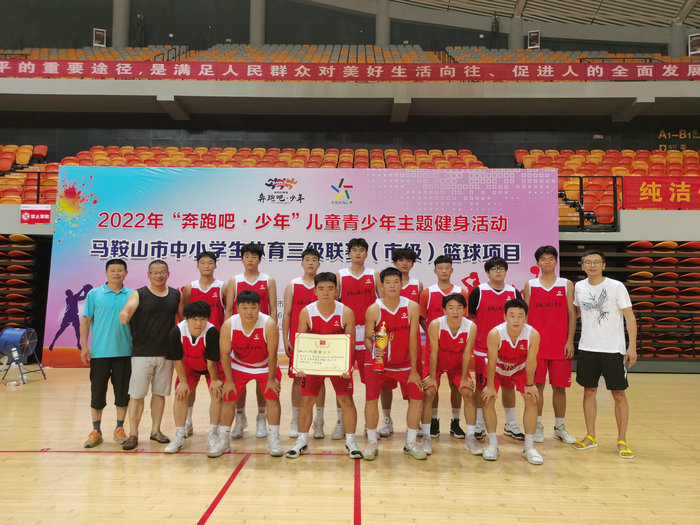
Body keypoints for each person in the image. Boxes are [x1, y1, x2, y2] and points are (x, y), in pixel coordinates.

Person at [286, 272, 362, 459]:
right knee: (306, 401)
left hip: (338, 365)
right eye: (321, 289)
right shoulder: (307, 312)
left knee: (346, 400)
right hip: (315, 364)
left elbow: (351, 342)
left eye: (330, 288)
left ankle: (351, 442)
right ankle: (302, 441)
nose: (326, 293)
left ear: (336, 290)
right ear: (315, 291)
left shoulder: (346, 312)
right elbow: (301, 342)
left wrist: (348, 365)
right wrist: (300, 365)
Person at [573, 250, 637, 459]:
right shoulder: (579, 287)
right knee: (589, 392)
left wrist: (632, 346)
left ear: (604, 265)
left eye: (596, 262)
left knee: (618, 394)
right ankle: (591, 436)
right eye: (588, 262)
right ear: (583, 266)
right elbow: (576, 312)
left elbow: (629, 317)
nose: (592, 265)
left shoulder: (616, 286)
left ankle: (622, 440)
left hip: (613, 349)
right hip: (587, 348)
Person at [363, 267, 425, 460]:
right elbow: (367, 338)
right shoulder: (373, 309)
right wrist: (374, 350)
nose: (392, 286)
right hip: (378, 364)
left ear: (401, 284)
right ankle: (372, 442)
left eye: (396, 282)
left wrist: (414, 370)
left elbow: (414, 340)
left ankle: (410, 443)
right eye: (388, 282)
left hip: (405, 364)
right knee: (371, 400)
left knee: (417, 397)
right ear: (381, 286)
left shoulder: (412, 307)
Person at [212, 290, 283, 457]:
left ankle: (274, 438)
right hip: (239, 365)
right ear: (238, 308)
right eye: (244, 308)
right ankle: (223, 440)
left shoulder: (269, 324)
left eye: (253, 307)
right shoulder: (229, 325)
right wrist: (229, 381)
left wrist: (271, 379)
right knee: (228, 398)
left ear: (259, 307)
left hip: (265, 365)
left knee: (272, 397)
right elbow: (224, 354)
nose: (249, 312)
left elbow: (273, 355)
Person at [119, 259, 180, 450]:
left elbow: (183, 320)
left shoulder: (175, 295)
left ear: (168, 274)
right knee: (137, 395)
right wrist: (125, 314)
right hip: (142, 353)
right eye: (155, 272)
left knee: (160, 394)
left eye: (162, 272)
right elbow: (128, 310)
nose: (159, 276)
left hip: (166, 353)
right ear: (148, 275)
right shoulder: (139, 294)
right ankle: (133, 434)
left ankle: (156, 431)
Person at [523, 245, 576, 445]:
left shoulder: (566, 284)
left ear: (556, 261)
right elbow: (525, 317)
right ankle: (537, 425)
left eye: (551, 258)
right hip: (536, 346)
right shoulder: (530, 285)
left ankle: (559, 427)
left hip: (560, 345)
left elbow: (572, 315)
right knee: (537, 387)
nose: (547, 262)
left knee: (559, 388)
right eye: (543, 259)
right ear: (537, 262)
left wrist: (570, 340)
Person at [225, 242, 278, 440]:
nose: (250, 260)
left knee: (262, 378)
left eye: (254, 256)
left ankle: (261, 418)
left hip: (262, 333)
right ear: (242, 259)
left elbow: (273, 308)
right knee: (240, 378)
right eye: (246, 256)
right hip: (240, 334)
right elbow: (228, 309)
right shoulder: (234, 280)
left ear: (260, 259)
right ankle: (240, 418)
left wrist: (273, 333)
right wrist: (227, 334)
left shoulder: (268, 280)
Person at [481, 298, 542, 464]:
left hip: (519, 368)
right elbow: (491, 362)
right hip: (497, 368)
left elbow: (531, 361)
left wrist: (529, 385)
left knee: (532, 399)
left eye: (520, 316)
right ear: (505, 317)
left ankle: (529, 448)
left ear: (526, 318)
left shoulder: (533, 334)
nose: (516, 320)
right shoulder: (495, 333)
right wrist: (490, 386)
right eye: (512, 315)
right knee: (488, 399)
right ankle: (493, 445)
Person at [468, 256, 523, 441]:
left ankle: (510, 423)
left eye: (501, 268)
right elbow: (471, 320)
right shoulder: (478, 292)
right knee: (481, 387)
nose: (498, 271)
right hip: (483, 350)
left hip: (508, 350)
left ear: (506, 271)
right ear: (487, 272)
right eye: (494, 269)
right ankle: (479, 423)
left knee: (509, 386)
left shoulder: (513, 292)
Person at [79, 259, 132, 448]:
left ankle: (120, 428)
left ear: (126, 273)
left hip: (125, 352)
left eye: (120, 270)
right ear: (106, 273)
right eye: (112, 270)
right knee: (97, 393)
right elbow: (86, 321)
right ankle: (96, 430)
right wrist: (84, 346)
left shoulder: (133, 295)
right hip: (100, 353)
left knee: (122, 393)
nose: (116, 273)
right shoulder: (94, 294)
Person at [423, 294, 481, 456]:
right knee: (429, 392)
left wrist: (464, 378)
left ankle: (470, 436)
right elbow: (433, 353)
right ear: (444, 310)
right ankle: (426, 436)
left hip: (457, 365)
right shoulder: (436, 325)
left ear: (464, 310)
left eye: (459, 307)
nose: (455, 311)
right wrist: (432, 377)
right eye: (451, 307)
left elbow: (467, 354)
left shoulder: (471, 327)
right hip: (436, 364)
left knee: (468, 393)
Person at [418, 255, 469, 440]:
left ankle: (455, 422)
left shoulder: (461, 292)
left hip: (456, 350)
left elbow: (465, 320)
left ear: (452, 270)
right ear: (435, 270)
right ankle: (433, 421)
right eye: (440, 268)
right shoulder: (427, 293)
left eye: (447, 267)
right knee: (433, 387)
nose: (444, 271)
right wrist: (435, 335)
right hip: (435, 350)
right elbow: (422, 318)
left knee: (457, 387)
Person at [177, 251, 227, 438]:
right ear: (197, 265)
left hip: (215, 346)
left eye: (210, 263)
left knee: (217, 389)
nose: (206, 266)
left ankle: (215, 429)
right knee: (187, 388)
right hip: (193, 346)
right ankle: (187, 422)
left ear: (215, 265)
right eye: (203, 263)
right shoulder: (189, 288)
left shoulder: (223, 287)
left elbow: (228, 312)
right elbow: (183, 314)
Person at [376, 247, 424, 438]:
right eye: (401, 260)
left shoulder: (417, 285)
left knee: (413, 383)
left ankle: (415, 423)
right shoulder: (385, 283)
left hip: (410, 341)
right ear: (395, 262)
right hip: (388, 341)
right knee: (386, 385)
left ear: (412, 263)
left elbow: (421, 315)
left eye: (409, 260)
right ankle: (387, 419)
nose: (405, 263)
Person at [335, 238, 380, 440]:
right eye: (354, 250)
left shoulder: (374, 274)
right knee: (341, 380)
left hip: (370, 334)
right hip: (346, 334)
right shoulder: (341, 275)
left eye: (361, 250)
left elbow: (381, 303)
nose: (358, 253)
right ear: (349, 253)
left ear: (366, 253)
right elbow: (335, 304)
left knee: (372, 381)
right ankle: (341, 421)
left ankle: (369, 425)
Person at [163, 301, 221, 454]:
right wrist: (183, 382)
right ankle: (180, 435)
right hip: (189, 365)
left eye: (202, 319)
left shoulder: (212, 332)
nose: (198, 323)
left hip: (211, 367)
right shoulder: (176, 332)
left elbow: (211, 363)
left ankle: (213, 433)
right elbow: (177, 360)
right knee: (180, 394)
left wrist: (215, 381)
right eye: (194, 319)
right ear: (187, 319)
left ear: (207, 319)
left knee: (217, 393)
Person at [281, 247, 326, 439]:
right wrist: (285, 339)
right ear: (302, 263)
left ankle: (319, 421)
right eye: (307, 259)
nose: (310, 263)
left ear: (319, 263)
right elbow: (287, 314)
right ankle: (295, 419)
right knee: (298, 380)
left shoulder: (324, 285)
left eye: (314, 260)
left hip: (320, 340)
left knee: (320, 380)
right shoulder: (293, 285)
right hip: (299, 341)